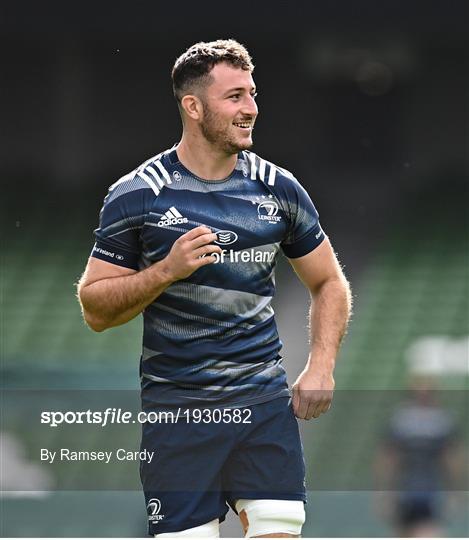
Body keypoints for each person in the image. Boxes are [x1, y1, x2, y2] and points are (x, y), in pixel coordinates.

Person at [77, 39, 352, 538]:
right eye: (235, 97)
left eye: (252, 94)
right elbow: (95, 308)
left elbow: (328, 280)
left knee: (279, 528)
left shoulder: (278, 188)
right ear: (193, 106)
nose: (251, 109)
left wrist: (322, 365)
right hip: (177, 412)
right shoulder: (138, 194)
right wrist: (165, 271)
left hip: (262, 403)